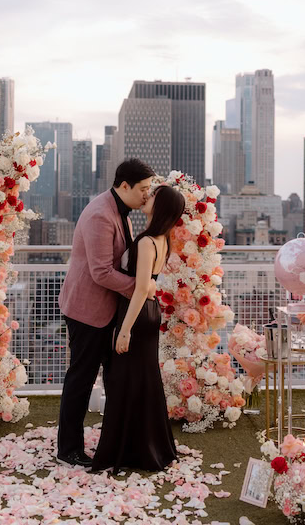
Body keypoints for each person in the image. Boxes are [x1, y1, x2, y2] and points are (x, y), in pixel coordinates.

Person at [56, 158, 156, 468]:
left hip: (108, 310)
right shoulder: (101, 214)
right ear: (124, 186)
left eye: (150, 189)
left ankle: (115, 444)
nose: (146, 195)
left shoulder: (120, 210)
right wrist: (143, 288)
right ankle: (68, 450)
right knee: (81, 380)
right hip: (87, 310)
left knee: (115, 378)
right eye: (142, 189)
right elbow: (101, 273)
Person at [90, 184, 186, 473]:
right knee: (143, 380)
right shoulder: (162, 240)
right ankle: (147, 445)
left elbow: (142, 288)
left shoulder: (146, 242)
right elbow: (149, 285)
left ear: (161, 206)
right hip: (149, 314)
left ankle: (128, 449)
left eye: (153, 195)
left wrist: (124, 330)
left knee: (124, 381)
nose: (147, 197)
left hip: (137, 315)